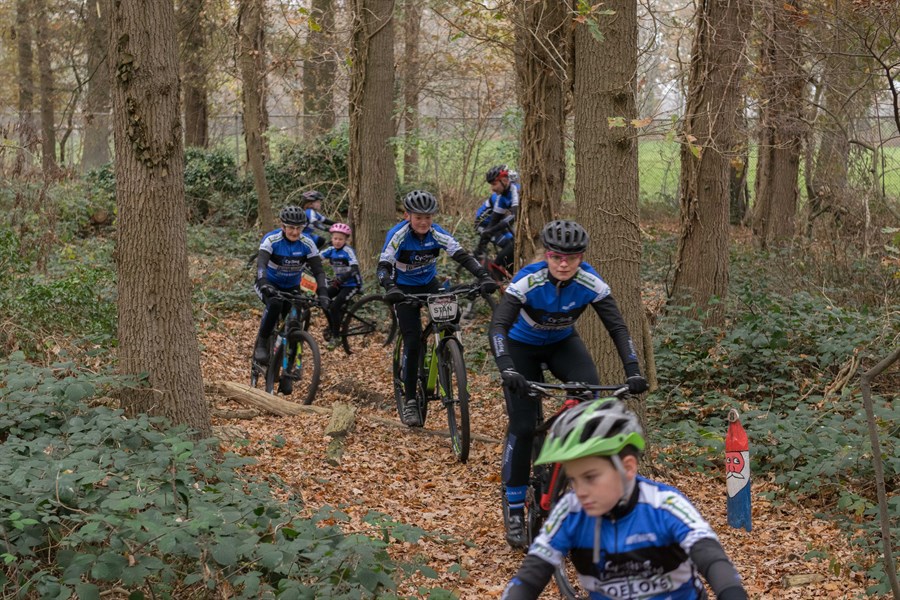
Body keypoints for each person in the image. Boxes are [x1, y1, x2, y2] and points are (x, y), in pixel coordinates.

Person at [489, 219, 648, 548]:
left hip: (562, 344)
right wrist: (507, 368)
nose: (564, 263)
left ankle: (576, 477)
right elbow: (498, 327)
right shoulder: (527, 281)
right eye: (556, 256)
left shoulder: (591, 282)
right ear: (546, 256)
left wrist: (632, 369)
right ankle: (516, 506)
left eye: (572, 257)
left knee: (590, 399)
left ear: (582, 257)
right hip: (521, 348)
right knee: (521, 423)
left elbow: (618, 328)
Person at [501, 399, 748, 600]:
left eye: (591, 477)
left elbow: (713, 559)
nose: (580, 491)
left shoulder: (665, 505)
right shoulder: (570, 512)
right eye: (573, 480)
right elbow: (530, 576)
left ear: (628, 467)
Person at [377, 190, 500, 426]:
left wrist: (484, 276)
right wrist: (389, 287)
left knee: (450, 320)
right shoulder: (398, 234)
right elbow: (383, 265)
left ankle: (448, 356)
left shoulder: (437, 233)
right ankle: (411, 399)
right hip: (402, 288)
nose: (423, 222)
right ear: (407, 216)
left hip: (430, 284)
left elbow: (462, 255)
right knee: (413, 341)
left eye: (428, 217)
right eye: (418, 217)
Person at [253, 206, 331, 394]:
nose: (295, 232)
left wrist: (323, 293)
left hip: (292, 287)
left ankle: (288, 370)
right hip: (268, 283)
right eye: (291, 228)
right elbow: (261, 264)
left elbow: (319, 271)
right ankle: (263, 341)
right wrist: (264, 283)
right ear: (283, 226)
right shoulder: (272, 240)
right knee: (275, 304)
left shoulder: (307, 243)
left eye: (299, 228)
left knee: (297, 319)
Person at [320, 223, 362, 345]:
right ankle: (333, 325)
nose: (337, 241)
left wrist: (342, 279)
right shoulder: (330, 250)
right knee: (323, 300)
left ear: (346, 240)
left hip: (352, 284)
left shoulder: (348, 251)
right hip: (339, 283)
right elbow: (315, 259)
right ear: (331, 238)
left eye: (341, 239)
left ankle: (336, 336)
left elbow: (354, 269)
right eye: (335, 238)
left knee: (334, 307)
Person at [474, 164, 519, 272]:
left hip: (495, 225)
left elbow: (514, 215)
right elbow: (494, 221)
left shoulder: (514, 190)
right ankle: (496, 268)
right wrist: (486, 236)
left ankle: (508, 271)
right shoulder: (500, 197)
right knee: (511, 245)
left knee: (513, 243)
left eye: (494, 184)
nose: (492, 188)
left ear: (504, 180)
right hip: (482, 224)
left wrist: (493, 229)